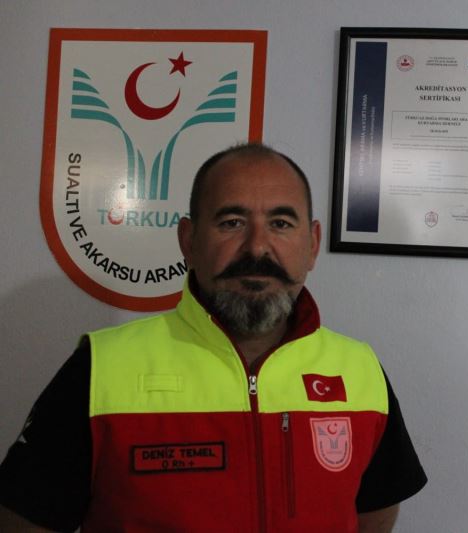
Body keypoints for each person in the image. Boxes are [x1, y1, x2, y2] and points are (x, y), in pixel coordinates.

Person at [0, 143, 427, 532]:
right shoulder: (100, 369)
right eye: (231, 222)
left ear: (312, 244)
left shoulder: (360, 371)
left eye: (280, 223)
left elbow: (375, 515)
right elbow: (23, 521)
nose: (257, 247)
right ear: (189, 241)